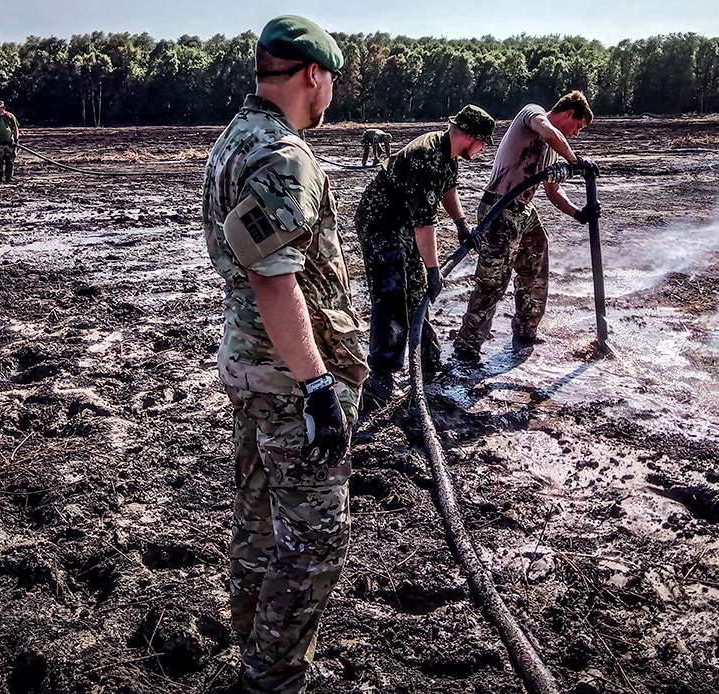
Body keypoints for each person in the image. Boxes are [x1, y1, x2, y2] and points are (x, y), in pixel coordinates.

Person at [200, 15, 368, 693]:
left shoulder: (237, 138)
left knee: (259, 525)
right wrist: (320, 387)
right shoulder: (283, 155)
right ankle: (274, 677)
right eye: (332, 80)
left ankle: (256, 651)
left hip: (253, 367)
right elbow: (274, 277)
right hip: (286, 378)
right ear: (312, 75)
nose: (332, 92)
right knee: (314, 545)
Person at [354, 104, 495, 410]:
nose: (483, 149)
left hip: (401, 222)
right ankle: (382, 377)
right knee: (391, 293)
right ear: (470, 136)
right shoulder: (426, 157)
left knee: (418, 291)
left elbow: (449, 189)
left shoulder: (447, 153)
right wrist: (433, 269)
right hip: (381, 223)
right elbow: (424, 225)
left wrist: (461, 224)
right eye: (483, 143)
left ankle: (428, 360)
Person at [451, 90, 600, 364]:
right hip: (499, 207)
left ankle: (525, 331)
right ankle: (467, 346)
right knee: (492, 281)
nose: (576, 134)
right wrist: (576, 162)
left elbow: (553, 191)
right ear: (568, 114)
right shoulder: (534, 113)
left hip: (523, 210)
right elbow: (549, 132)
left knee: (536, 264)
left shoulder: (551, 151)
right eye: (577, 126)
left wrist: (579, 213)